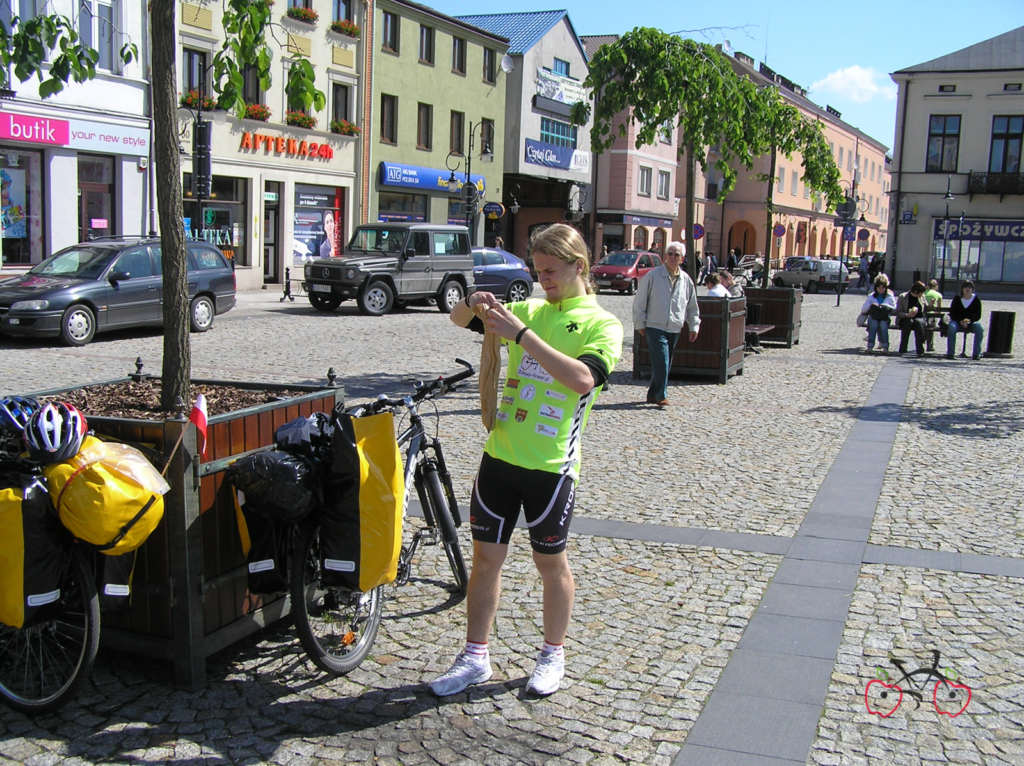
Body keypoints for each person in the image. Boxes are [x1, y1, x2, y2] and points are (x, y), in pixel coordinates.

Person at [432, 223, 623, 698]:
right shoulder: (531, 308)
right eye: (538, 272)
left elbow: (582, 379)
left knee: (550, 564)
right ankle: (475, 656)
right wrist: (473, 302)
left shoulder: (603, 323)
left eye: (552, 271)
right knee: (484, 561)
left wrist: (522, 335)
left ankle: (552, 653)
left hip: (551, 467)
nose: (544, 281)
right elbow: (458, 320)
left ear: (580, 267)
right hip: (499, 459)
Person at [632, 240, 699, 407]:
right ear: (665, 256)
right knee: (662, 360)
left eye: (676, 255)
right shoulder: (653, 276)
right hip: (655, 325)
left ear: (682, 259)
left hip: (675, 326)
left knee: (665, 362)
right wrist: (640, 323)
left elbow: (691, 305)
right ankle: (661, 395)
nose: (672, 257)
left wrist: (694, 325)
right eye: (670, 253)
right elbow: (640, 301)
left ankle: (652, 394)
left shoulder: (686, 280)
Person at [946, 280, 984, 360]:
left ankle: (976, 354)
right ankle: (950, 353)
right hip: (957, 322)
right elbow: (952, 313)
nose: (967, 289)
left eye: (970, 287)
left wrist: (969, 321)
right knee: (951, 327)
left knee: (979, 328)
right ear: (962, 289)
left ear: (972, 289)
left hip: (970, 323)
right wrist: (961, 321)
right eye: (966, 287)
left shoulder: (976, 299)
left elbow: (978, 315)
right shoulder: (957, 298)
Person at [860, 274, 896, 353]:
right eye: (879, 288)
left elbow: (894, 307)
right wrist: (871, 306)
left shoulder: (889, 296)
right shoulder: (871, 296)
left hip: (884, 317)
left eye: (883, 288)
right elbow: (864, 309)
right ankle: (870, 346)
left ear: (885, 288)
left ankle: (885, 346)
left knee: (883, 326)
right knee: (873, 326)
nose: (881, 290)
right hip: (874, 316)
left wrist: (886, 306)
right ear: (876, 288)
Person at [896, 281, 927, 356]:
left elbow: (926, 307)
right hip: (906, 318)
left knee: (918, 323)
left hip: (919, 319)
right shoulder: (903, 296)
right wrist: (907, 315)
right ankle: (903, 348)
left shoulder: (922, 297)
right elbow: (898, 312)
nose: (922, 294)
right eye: (921, 292)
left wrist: (931, 304)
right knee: (908, 322)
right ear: (916, 291)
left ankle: (920, 350)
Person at [922, 278, 943, 351]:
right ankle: (930, 345)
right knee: (931, 328)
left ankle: (922, 341)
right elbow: (939, 309)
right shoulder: (938, 295)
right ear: (936, 286)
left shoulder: (923, 293)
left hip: (923, 315)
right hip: (932, 316)